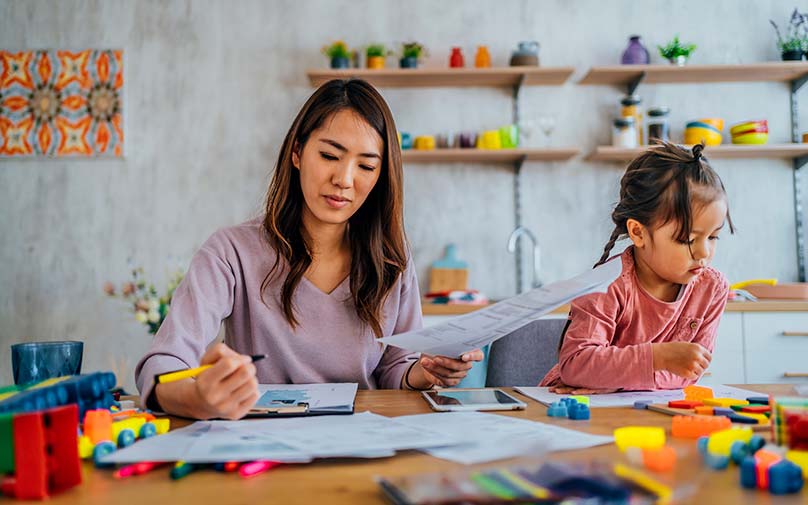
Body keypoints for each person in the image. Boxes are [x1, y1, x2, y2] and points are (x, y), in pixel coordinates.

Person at [135, 79, 483, 419]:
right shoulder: (231, 252)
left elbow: (394, 368)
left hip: (363, 444)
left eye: (366, 166)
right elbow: (164, 363)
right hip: (263, 449)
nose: (345, 179)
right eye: (330, 155)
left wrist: (427, 372)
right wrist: (197, 397)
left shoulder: (390, 259)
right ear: (297, 153)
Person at [540, 142, 733, 393]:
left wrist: (613, 378)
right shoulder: (606, 285)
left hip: (639, 409)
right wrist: (657, 358)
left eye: (713, 237)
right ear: (638, 232)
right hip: (573, 405)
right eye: (686, 239)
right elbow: (576, 366)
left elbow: (689, 374)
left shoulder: (712, 289)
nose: (704, 253)